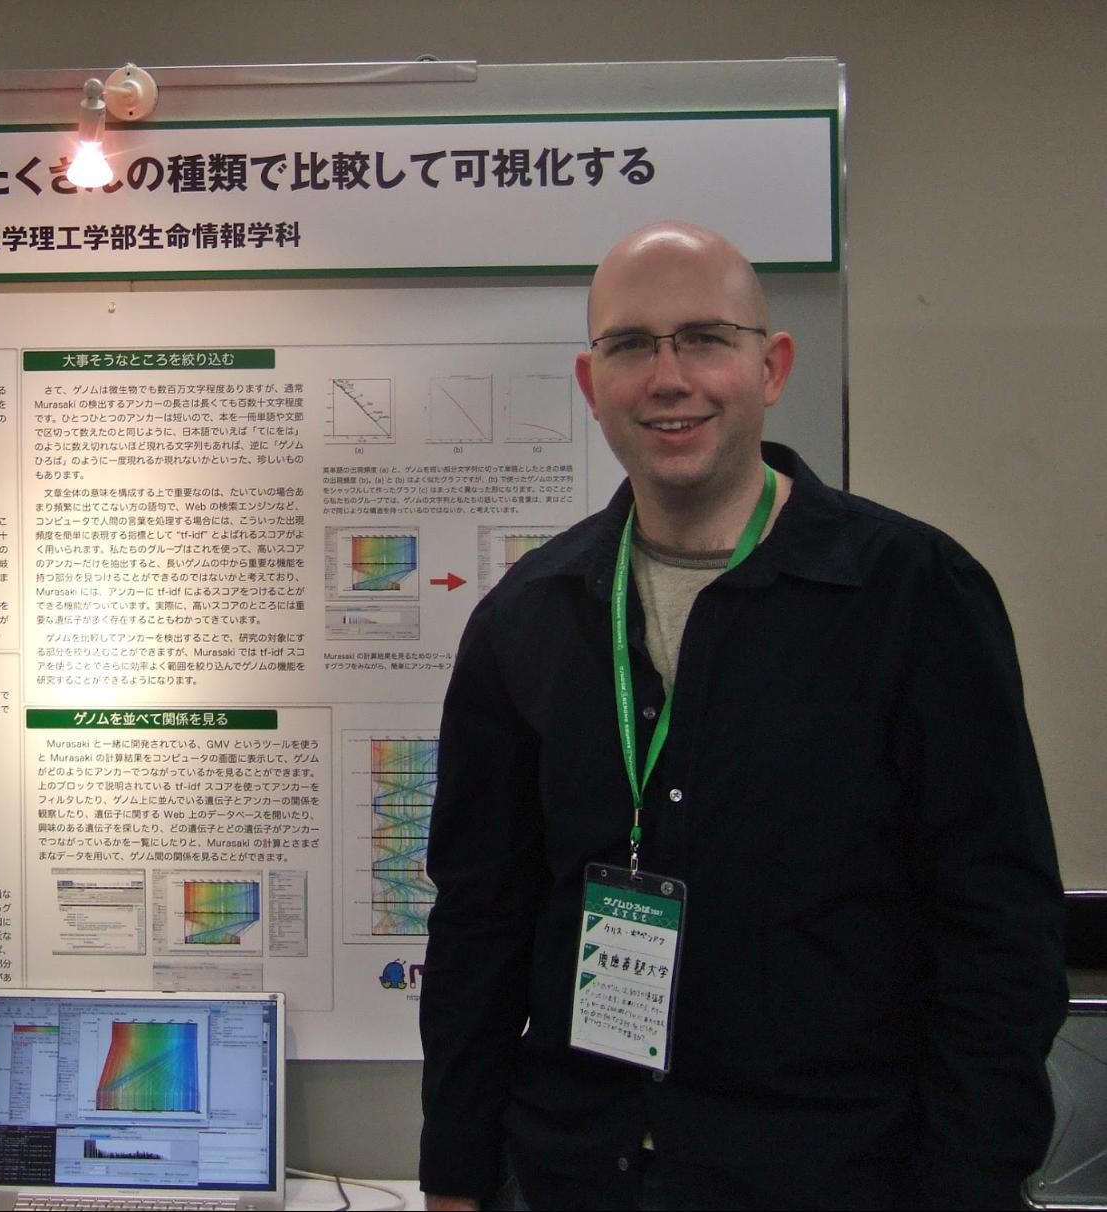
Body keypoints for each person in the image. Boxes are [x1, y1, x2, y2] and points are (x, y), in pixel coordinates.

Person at [418, 223, 1065, 1210]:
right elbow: (480, 923)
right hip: (582, 1171)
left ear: (772, 367)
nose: (667, 378)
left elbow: (997, 932)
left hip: (839, 1178)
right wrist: (454, 1175)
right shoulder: (527, 618)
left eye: (704, 339)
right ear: (591, 384)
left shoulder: (913, 596)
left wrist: (968, 1185)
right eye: (629, 346)